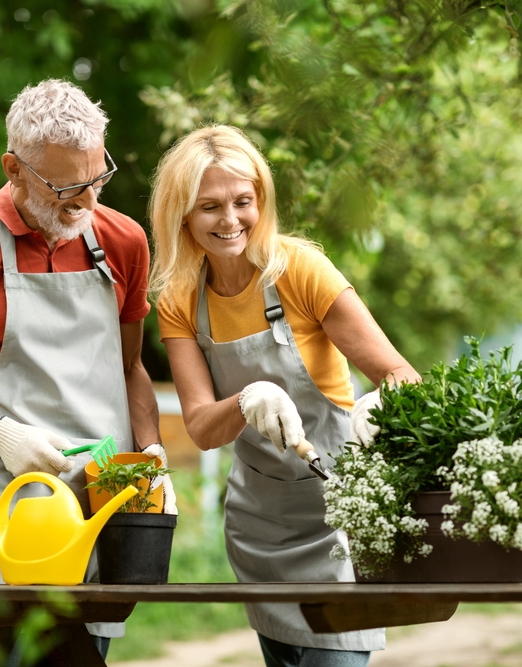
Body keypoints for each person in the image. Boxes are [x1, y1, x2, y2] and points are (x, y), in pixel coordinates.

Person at [0, 79, 175, 658]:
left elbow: (129, 366)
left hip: (106, 500)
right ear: (13, 168)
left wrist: (151, 455)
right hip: (17, 503)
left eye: (97, 179)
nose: (87, 202)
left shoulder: (123, 242)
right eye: (66, 185)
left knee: (77, 647)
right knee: (9, 643)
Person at [149, 125, 421, 667]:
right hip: (261, 526)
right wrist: (248, 398)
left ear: (261, 201)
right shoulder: (179, 299)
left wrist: (382, 405)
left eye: (242, 202)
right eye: (209, 207)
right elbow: (202, 428)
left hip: (341, 516)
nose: (230, 221)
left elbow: (397, 373)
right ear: (182, 216)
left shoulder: (300, 270)